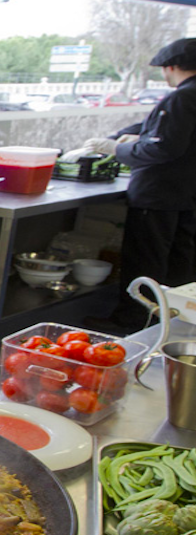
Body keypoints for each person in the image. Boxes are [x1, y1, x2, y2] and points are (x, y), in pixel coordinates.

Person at [82, 38, 196, 336]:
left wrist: (115, 149)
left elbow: (163, 147)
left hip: (159, 195)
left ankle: (132, 320)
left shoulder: (181, 98)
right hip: (188, 195)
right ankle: (171, 321)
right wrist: (125, 135)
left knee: (146, 262)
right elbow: (155, 129)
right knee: (180, 264)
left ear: (171, 67)